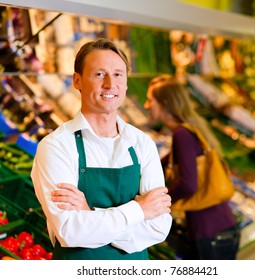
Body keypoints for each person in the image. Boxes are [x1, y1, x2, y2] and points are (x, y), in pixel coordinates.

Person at [31, 38, 172, 260]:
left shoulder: (142, 144)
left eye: (118, 74)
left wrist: (89, 214)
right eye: (99, 74)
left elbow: (159, 227)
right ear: (77, 81)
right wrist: (139, 211)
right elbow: (70, 231)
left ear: (125, 83)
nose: (110, 84)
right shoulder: (56, 147)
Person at [144, 75, 240, 260]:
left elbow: (188, 185)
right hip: (222, 226)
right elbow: (164, 163)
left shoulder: (182, 135)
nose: (147, 105)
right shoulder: (191, 128)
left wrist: (154, 205)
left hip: (209, 231)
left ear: (165, 103)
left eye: (150, 100)